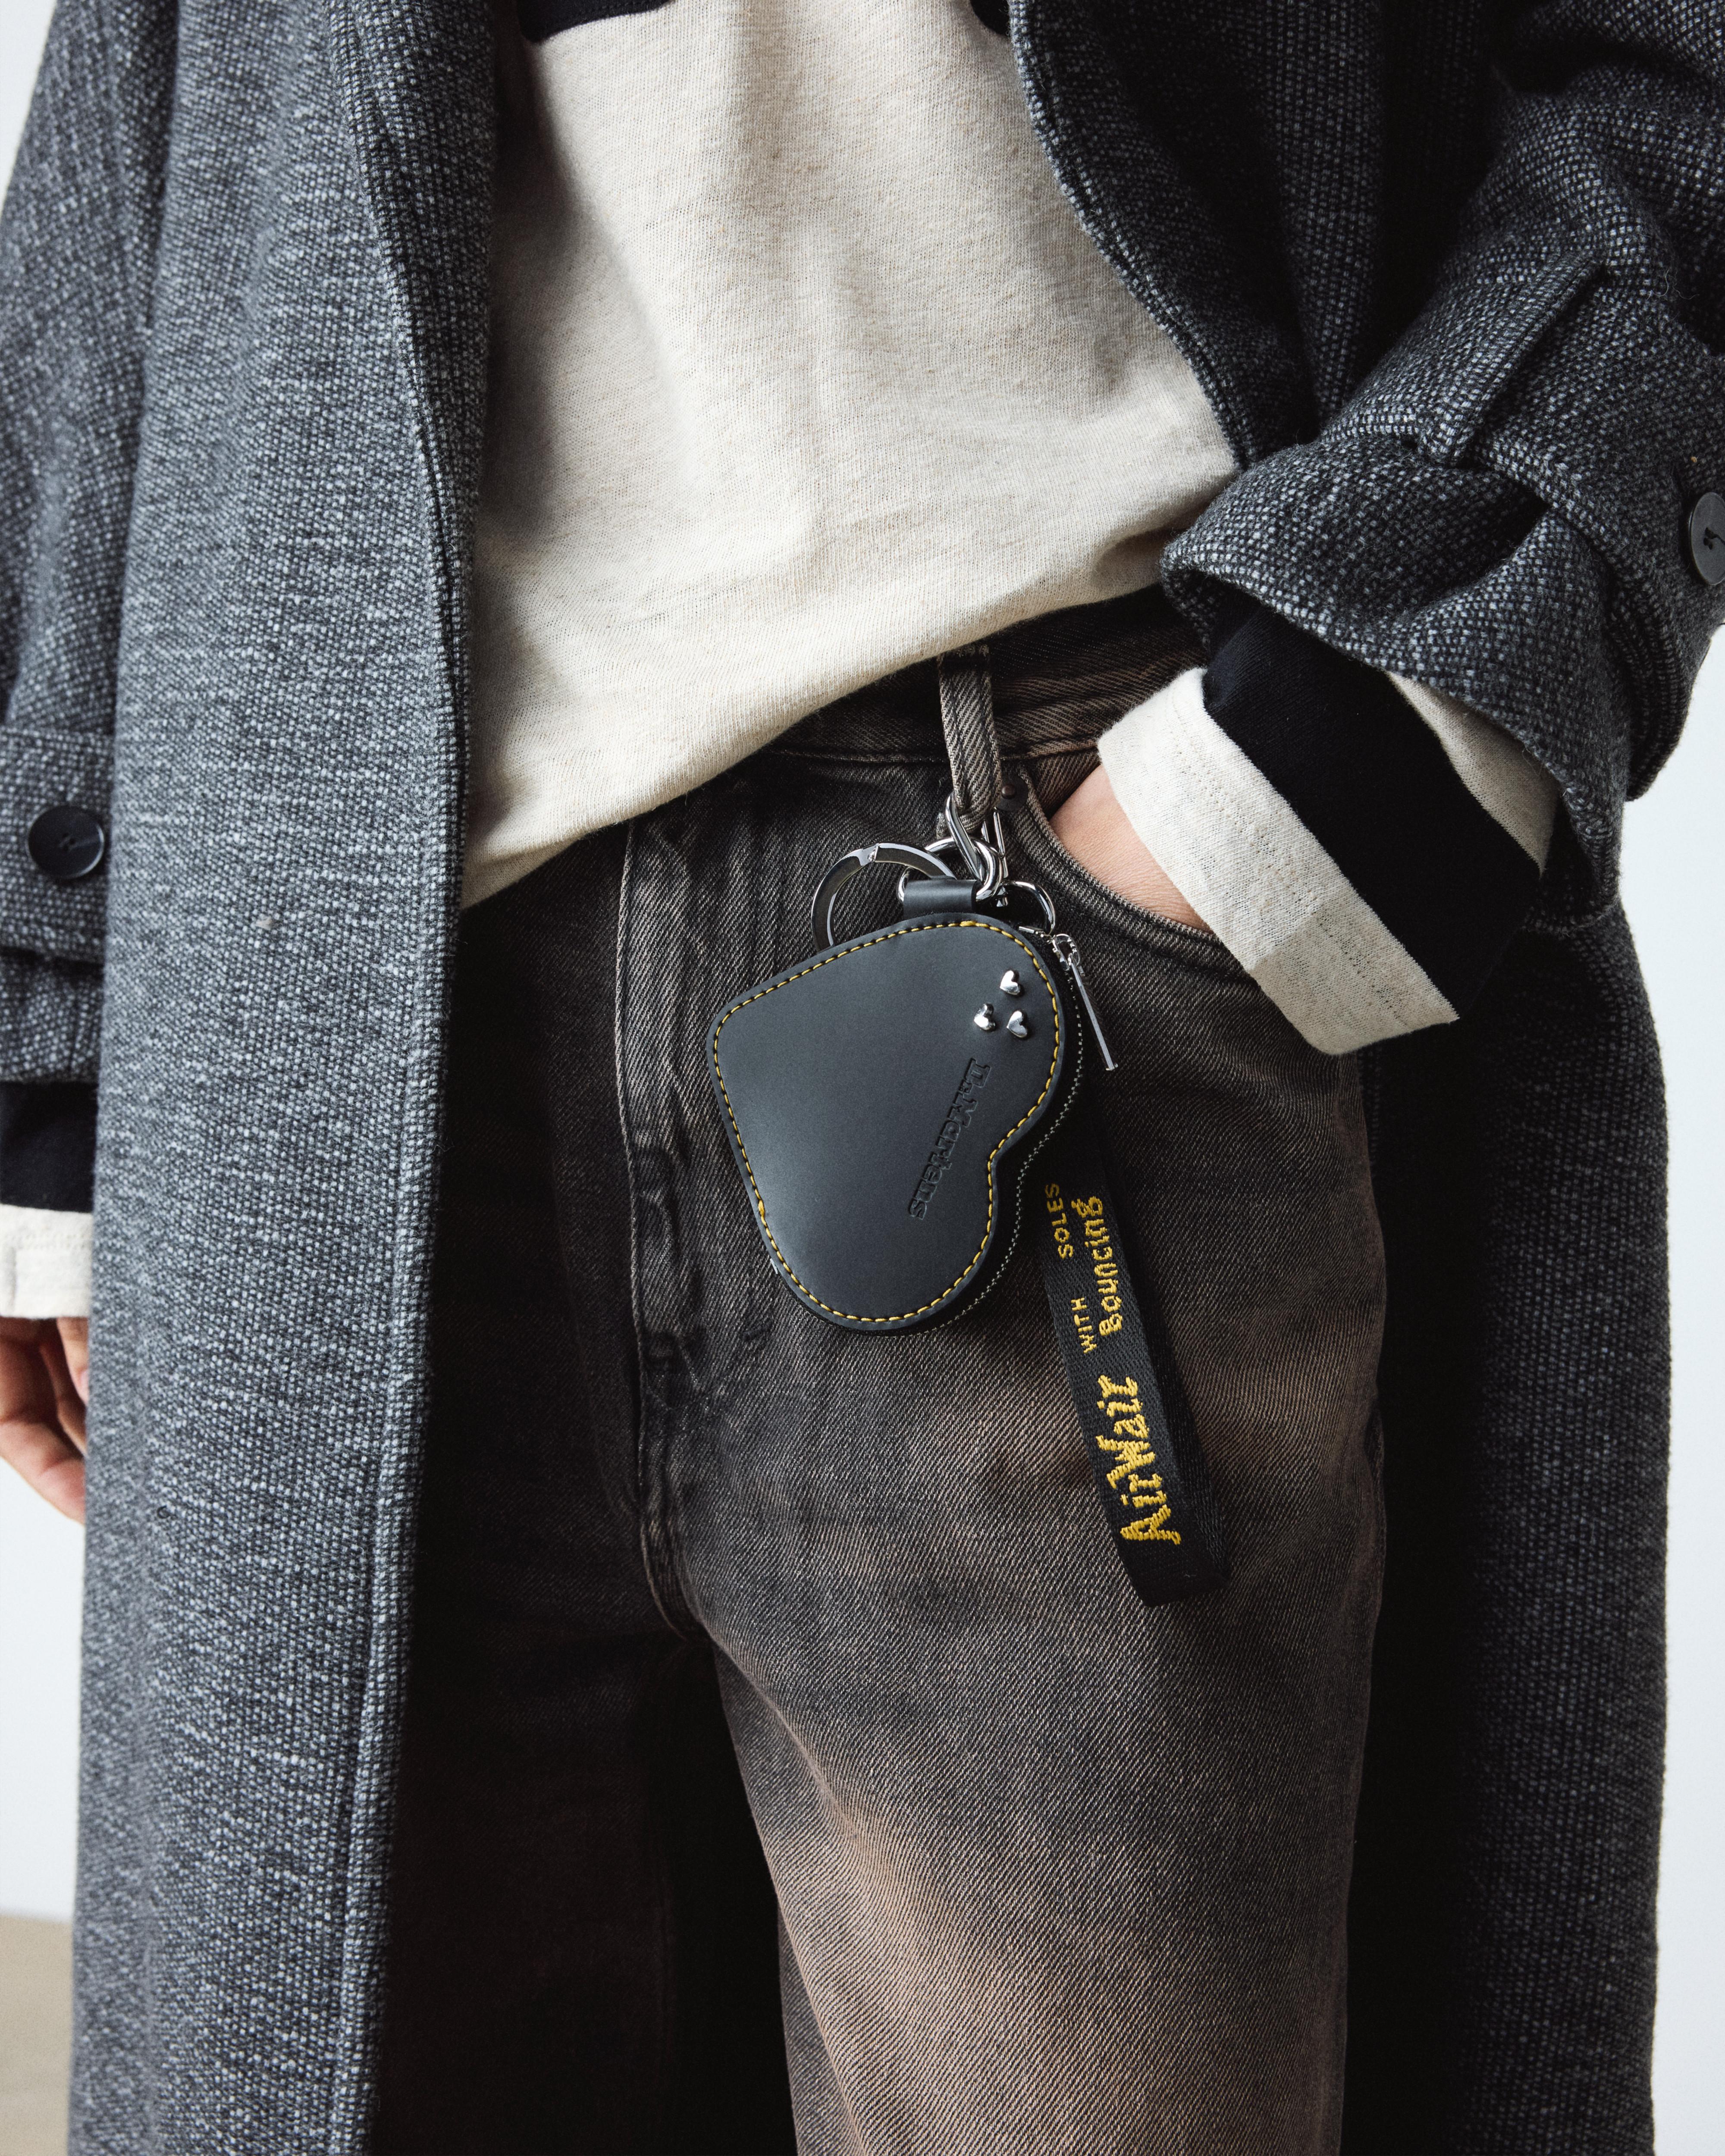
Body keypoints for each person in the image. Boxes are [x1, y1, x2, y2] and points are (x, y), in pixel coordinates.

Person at [0, 0, 1719, 2149]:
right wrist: (53, 1030)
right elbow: (153, 93)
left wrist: (1347, 730)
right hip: (339, 997)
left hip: (1074, 951)